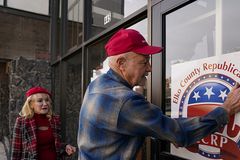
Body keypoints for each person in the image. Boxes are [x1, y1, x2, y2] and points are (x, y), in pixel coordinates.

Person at [77, 28, 240, 160]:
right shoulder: (126, 101)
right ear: (121, 64)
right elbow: (180, 133)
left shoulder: (96, 85)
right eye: (144, 61)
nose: (149, 68)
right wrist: (225, 110)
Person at [10, 86, 76, 160]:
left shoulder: (54, 120)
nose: (45, 103)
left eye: (47, 100)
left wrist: (65, 147)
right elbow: (16, 151)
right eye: (40, 101)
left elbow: (56, 145)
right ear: (31, 104)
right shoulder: (22, 122)